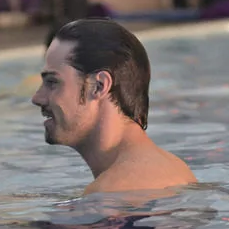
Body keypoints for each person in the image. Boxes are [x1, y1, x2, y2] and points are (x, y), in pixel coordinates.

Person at [31, 19, 197, 194]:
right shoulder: (175, 167)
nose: (37, 98)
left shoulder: (111, 192)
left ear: (99, 86)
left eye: (52, 82)